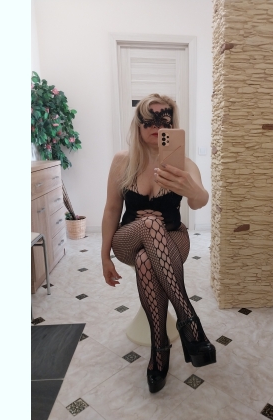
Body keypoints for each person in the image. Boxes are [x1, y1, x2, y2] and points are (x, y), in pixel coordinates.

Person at [101, 93, 216, 393]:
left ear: (173, 125)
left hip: (173, 237)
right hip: (128, 237)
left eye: (164, 119)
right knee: (150, 223)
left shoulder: (184, 164)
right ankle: (189, 320)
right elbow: (112, 209)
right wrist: (104, 256)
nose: (157, 126)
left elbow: (200, 200)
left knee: (146, 261)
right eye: (149, 120)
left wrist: (193, 190)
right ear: (138, 125)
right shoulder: (122, 161)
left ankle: (159, 348)